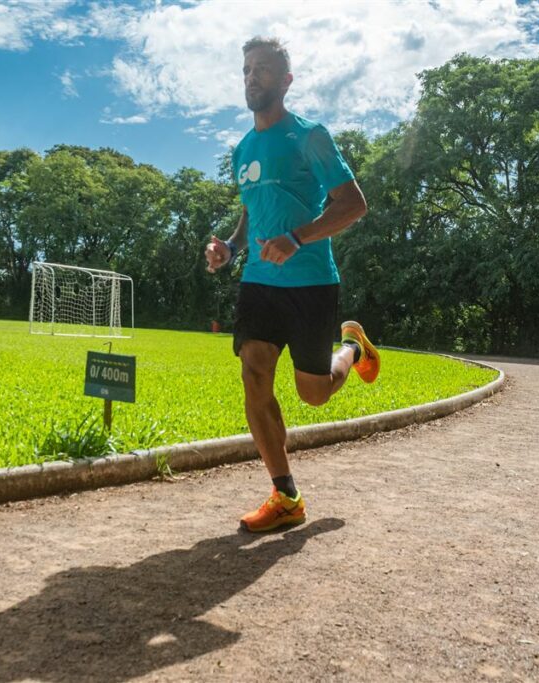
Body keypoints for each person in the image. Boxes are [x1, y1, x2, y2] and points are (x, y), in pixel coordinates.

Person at [205, 36, 380, 533]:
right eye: (245, 69)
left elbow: (352, 204)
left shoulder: (310, 136)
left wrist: (297, 238)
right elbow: (250, 213)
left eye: (261, 69)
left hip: (310, 283)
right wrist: (231, 249)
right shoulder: (242, 148)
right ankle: (286, 496)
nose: (251, 77)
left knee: (315, 395)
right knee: (254, 373)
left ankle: (351, 348)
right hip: (258, 282)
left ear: (285, 81)